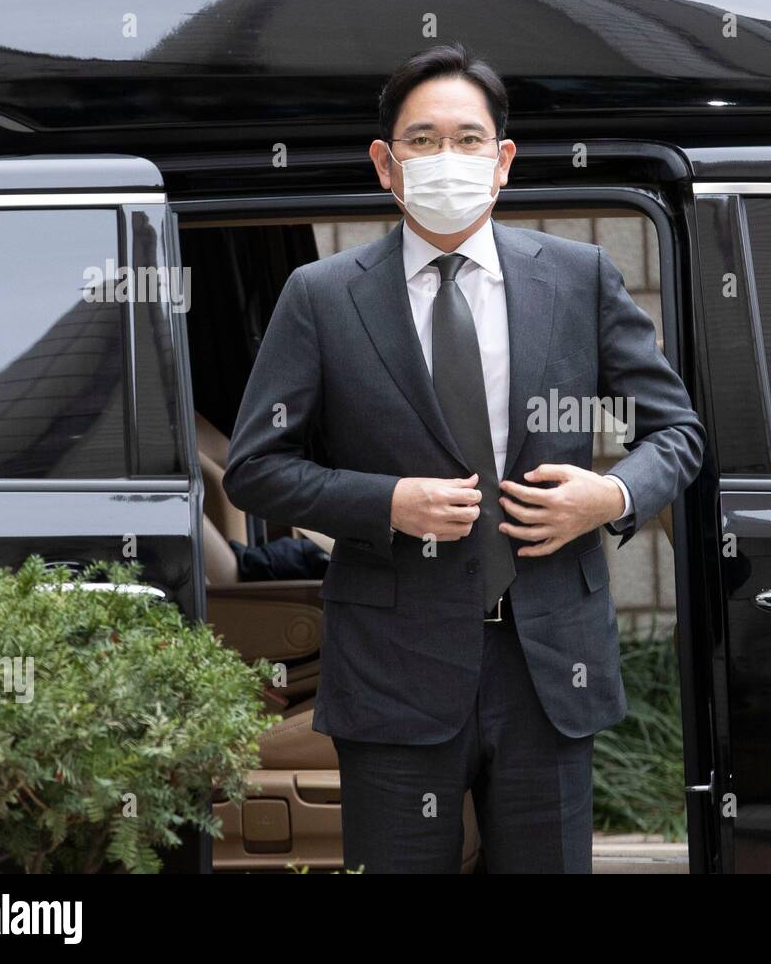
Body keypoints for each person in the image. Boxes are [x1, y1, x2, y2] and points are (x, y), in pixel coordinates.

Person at [223, 43, 704, 873]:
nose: (447, 159)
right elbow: (257, 469)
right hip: (393, 671)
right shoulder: (324, 296)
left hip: (547, 664)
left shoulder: (579, 278)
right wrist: (387, 502)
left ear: (503, 159)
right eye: (422, 140)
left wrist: (610, 496)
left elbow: (676, 433)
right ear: (385, 163)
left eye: (468, 139)